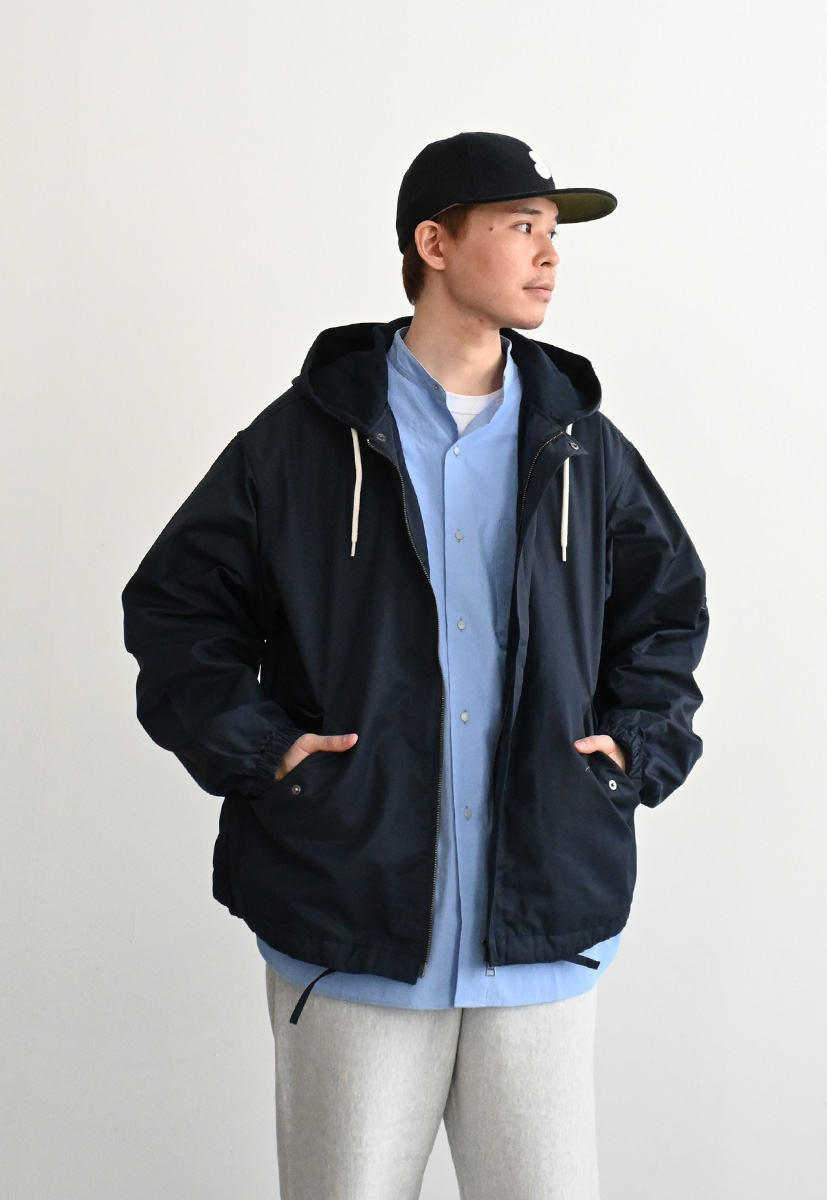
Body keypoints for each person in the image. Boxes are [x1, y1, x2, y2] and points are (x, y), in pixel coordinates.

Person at [121, 131, 709, 1200]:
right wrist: (265, 754)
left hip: (542, 921)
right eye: (521, 226)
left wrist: (633, 754)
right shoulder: (302, 441)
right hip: (348, 915)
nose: (550, 254)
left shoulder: (583, 446)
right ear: (434, 244)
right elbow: (175, 608)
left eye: (554, 230)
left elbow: (665, 614)